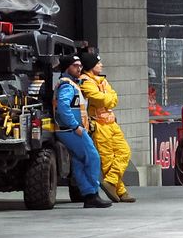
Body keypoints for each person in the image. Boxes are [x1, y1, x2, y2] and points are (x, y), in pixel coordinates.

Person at [52, 54, 111, 208]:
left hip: (68, 129)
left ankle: (88, 195)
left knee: (79, 162)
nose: (79, 68)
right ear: (67, 68)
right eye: (75, 66)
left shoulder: (70, 83)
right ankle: (92, 193)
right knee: (93, 157)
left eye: (80, 65)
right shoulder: (67, 85)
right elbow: (63, 108)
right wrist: (75, 126)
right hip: (71, 130)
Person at [77, 49, 135, 203]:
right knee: (108, 159)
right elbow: (99, 99)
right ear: (91, 65)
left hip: (111, 123)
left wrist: (108, 98)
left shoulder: (102, 80)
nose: (101, 65)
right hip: (99, 125)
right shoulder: (85, 81)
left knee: (124, 152)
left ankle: (110, 182)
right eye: (98, 63)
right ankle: (121, 191)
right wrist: (108, 98)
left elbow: (114, 98)